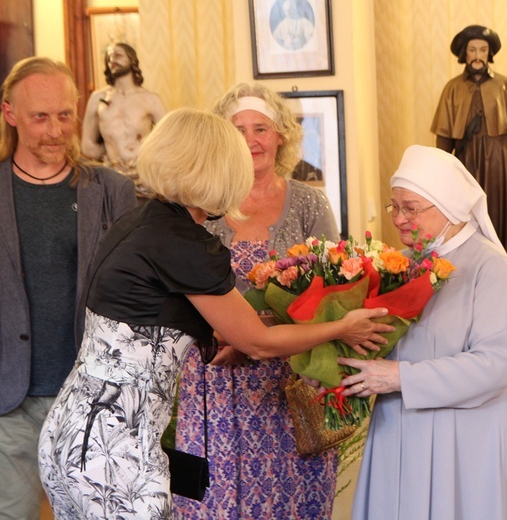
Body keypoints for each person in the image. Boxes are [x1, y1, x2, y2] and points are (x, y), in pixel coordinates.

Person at [36, 107, 392, 518]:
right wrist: (341, 327)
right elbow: (256, 343)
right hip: (116, 447)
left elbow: (163, 320)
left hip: (68, 431)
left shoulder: (138, 221)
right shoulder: (187, 245)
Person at [0, 57, 137, 520]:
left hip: (96, 398)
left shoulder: (113, 191)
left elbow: (135, 297)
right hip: (5, 400)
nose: (56, 129)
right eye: (40, 116)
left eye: (65, 114)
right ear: (10, 114)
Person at [337, 145, 507, 519]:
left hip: (477, 429)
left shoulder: (489, 265)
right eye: (394, 206)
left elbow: (495, 363)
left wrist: (398, 376)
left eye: (411, 207)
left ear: (448, 206)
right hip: (410, 424)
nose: (399, 218)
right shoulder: (407, 262)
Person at [173, 83, 341, 519]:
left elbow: (334, 289)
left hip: (289, 382)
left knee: (294, 498)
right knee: (216, 500)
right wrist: (224, 335)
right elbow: (179, 286)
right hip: (217, 378)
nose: (251, 140)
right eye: (239, 129)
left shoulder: (309, 203)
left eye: (261, 128)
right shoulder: (203, 202)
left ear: (281, 135)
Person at [431, 25, 507, 272]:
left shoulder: (505, 84)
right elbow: (444, 137)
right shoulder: (452, 88)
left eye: (483, 50)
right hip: (467, 161)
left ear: (489, 53)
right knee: (469, 214)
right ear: (464, 54)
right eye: (472, 50)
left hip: (500, 160)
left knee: (499, 213)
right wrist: (443, 172)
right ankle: (471, 267)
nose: (478, 55)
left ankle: (502, 269)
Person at [81, 42, 166, 197]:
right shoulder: (98, 98)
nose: (112, 59)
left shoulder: (150, 99)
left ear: (132, 60)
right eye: (109, 57)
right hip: (111, 176)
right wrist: (109, 155)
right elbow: (87, 146)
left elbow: (168, 141)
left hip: (144, 178)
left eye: (118, 55)